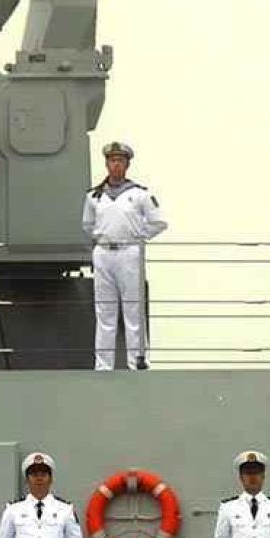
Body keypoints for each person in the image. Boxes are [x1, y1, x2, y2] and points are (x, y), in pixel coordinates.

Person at [81, 142, 168, 371]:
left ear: (127, 164)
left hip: (129, 252)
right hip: (103, 253)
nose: (116, 164)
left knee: (133, 310)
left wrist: (139, 236)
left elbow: (159, 222)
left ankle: (138, 362)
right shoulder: (94, 196)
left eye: (120, 160)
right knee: (105, 312)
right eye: (112, 160)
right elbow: (87, 224)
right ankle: (103, 366)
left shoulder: (139, 194)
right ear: (107, 163)